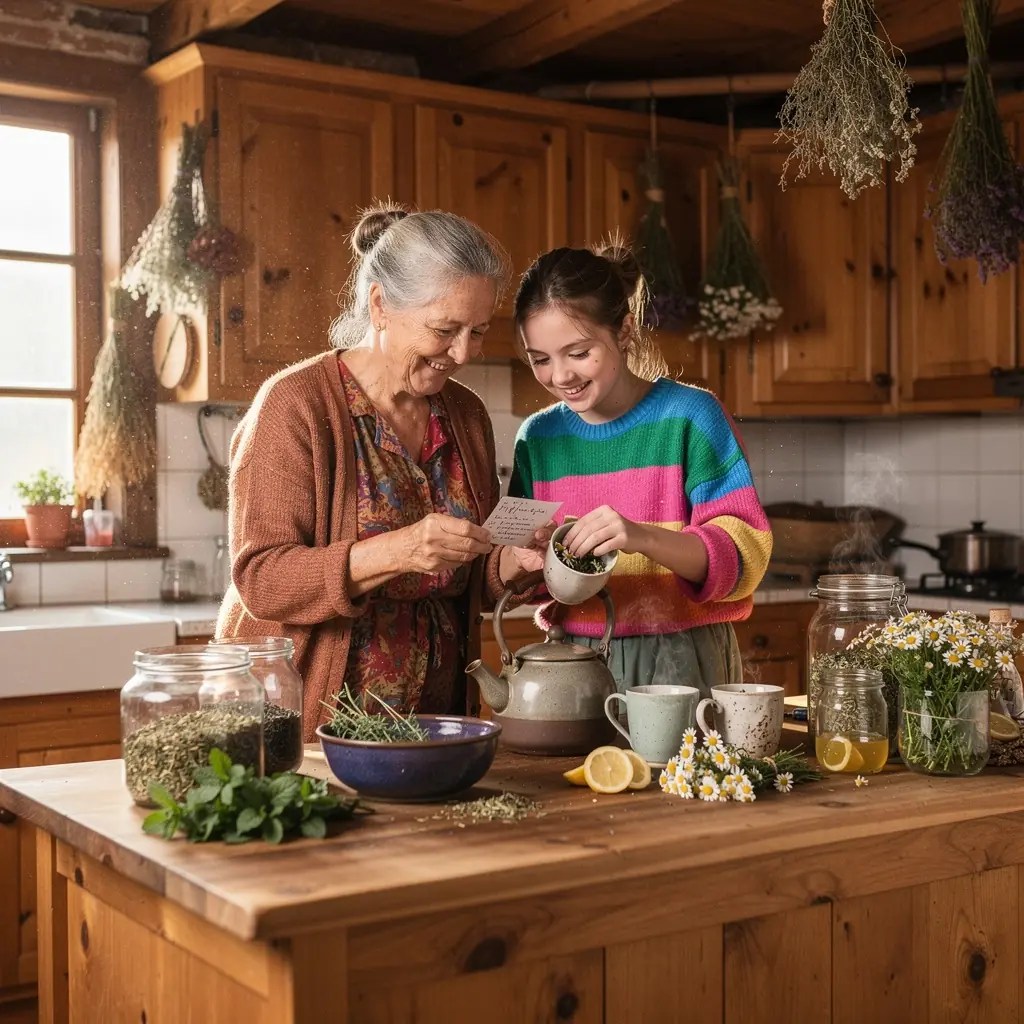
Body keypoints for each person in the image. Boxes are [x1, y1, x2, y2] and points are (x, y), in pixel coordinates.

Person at [218, 204, 548, 740]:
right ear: (380, 305)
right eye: (445, 329)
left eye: (479, 331)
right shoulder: (295, 405)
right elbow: (262, 580)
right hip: (310, 729)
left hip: (438, 729)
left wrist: (512, 562)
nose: (463, 352)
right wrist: (401, 550)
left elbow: (465, 582)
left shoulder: (464, 415)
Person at [508, 243, 772, 697]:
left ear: (625, 332)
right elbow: (528, 575)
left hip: (684, 658)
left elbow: (745, 555)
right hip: (572, 662)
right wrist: (529, 556)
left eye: (578, 352)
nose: (560, 376)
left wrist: (640, 535)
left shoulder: (691, 417)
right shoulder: (537, 439)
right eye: (540, 359)